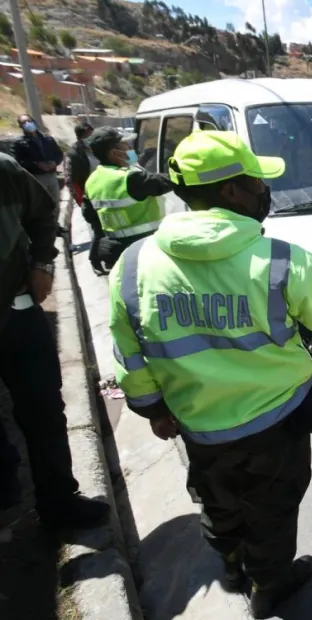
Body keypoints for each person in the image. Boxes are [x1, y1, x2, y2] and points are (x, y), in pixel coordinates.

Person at [107, 131, 312, 619]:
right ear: (230, 192)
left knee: (217, 503)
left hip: (196, 425)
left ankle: (232, 565)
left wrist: (152, 409)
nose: (265, 190)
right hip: (273, 426)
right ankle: (273, 584)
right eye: (257, 181)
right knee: (274, 508)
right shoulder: (282, 260)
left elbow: (129, 353)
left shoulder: (133, 265)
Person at [0, 152, 111, 531]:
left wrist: (42, 264)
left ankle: (59, 501)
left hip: (17, 311)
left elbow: (41, 216)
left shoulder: (5, 171)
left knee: (44, 409)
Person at [85, 127, 174, 271]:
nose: (129, 148)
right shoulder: (129, 178)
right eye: (125, 145)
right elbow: (164, 182)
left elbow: (89, 216)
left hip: (116, 252)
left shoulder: (92, 180)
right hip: (144, 249)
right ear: (114, 152)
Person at [66, 122, 107, 274]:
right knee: (98, 230)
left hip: (106, 191)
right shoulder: (74, 153)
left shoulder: (99, 148)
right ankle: (95, 261)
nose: (91, 137)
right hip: (89, 195)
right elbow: (70, 179)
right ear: (81, 137)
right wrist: (80, 199)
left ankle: (108, 257)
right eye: (88, 135)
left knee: (107, 229)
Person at [14, 114, 64, 205]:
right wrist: (37, 164)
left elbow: (59, 154)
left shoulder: (48, 139)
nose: (28, 124)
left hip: (52, 175)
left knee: (55, 201)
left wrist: (55, 162)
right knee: (40, 203)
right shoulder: (19, 143)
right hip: (36, 178)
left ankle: (55, 219)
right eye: (24, 123)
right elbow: (19, 161)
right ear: (21, 126)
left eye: (29, 121)